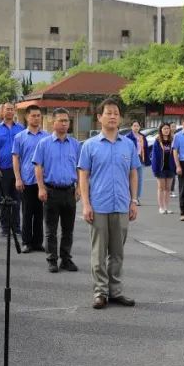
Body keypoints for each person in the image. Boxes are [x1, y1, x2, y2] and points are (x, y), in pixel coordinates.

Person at [78, 98, 141, 310]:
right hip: (98, 206)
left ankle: (115, 291)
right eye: (108, 113)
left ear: (120, 117)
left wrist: (133, 200)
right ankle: (100, 292)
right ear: (99, 117)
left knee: (117, 253)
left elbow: (133, 173)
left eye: (116, 113)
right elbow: (83, 176)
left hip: (122, 204)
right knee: (98, 253)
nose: (113, 116)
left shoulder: (128, 145)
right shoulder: (90, 145)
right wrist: (86, 204)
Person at [34, 107, 82, 273]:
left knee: (68, 230)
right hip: (51, 191)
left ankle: (66, 259)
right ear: (52, 122)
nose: (64, 123)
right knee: (51, 230)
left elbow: (79, 168)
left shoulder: (75, 144)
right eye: (61, 120)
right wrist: (40, 188)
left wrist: (79, 188)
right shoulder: (44, 143)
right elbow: (38, 167)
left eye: (66, 120)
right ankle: (52, 260)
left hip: (69, 191)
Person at [13, 104, 50, 253]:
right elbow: (15, 158)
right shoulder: (20, 137)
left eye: (38, 115)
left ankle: (38, 242)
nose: (36, 118)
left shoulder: (47, 136)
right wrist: (18, 178)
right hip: (27, 180)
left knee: (40, 213)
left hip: (43, 181)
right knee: (27, 212)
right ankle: (27, 242)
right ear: (27, 117)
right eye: (33, 115)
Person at [0, 102, 24, 237]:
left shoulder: (21, 129)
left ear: (14, 111)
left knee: (17, 200)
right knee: (4, 199)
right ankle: (5, 227)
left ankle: (16, 227)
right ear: (2, 112)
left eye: (11, 109)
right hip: (2, 169)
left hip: (18, 170)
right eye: (7, 109)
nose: (9, 112)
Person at [151, 122, 176, 214]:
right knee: (161, 188)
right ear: (161, 130)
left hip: (170, 168)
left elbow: (175, 153)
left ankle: (166, 207)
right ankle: (161, 207)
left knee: (168, 188)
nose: (166, 130)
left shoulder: (173, 140)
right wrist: (155, 169)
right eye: (164, 129)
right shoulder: (157, 141)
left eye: (168, 129)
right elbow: (155, 157)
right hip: (160, 168)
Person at [126, 120, 150, 202]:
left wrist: (147, 160)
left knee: (139, 179)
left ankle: (136, 198)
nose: (136, 128)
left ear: (140, 127)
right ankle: (129, 196)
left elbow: (146, 149)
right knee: (130, 178)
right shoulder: (128, 137)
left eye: (137, 126)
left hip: (140, 158)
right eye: (134, 126)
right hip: (130, 159)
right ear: (131, 127)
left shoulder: (142, 136)